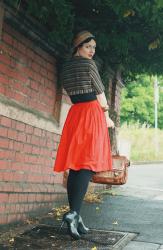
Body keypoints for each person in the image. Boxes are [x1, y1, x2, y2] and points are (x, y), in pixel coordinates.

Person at [53, 30, 114, 240]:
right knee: (88, 163)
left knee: (76, 165)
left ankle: (75, 215)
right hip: (91, 113)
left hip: (75, 113)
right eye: (88, 47)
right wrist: (107, 116)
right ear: (78, 46)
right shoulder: (89, 65)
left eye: (94, 48)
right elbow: (100, 93)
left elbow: (70, 91)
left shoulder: (66, 66)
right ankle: (73, 214)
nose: (92, 51)